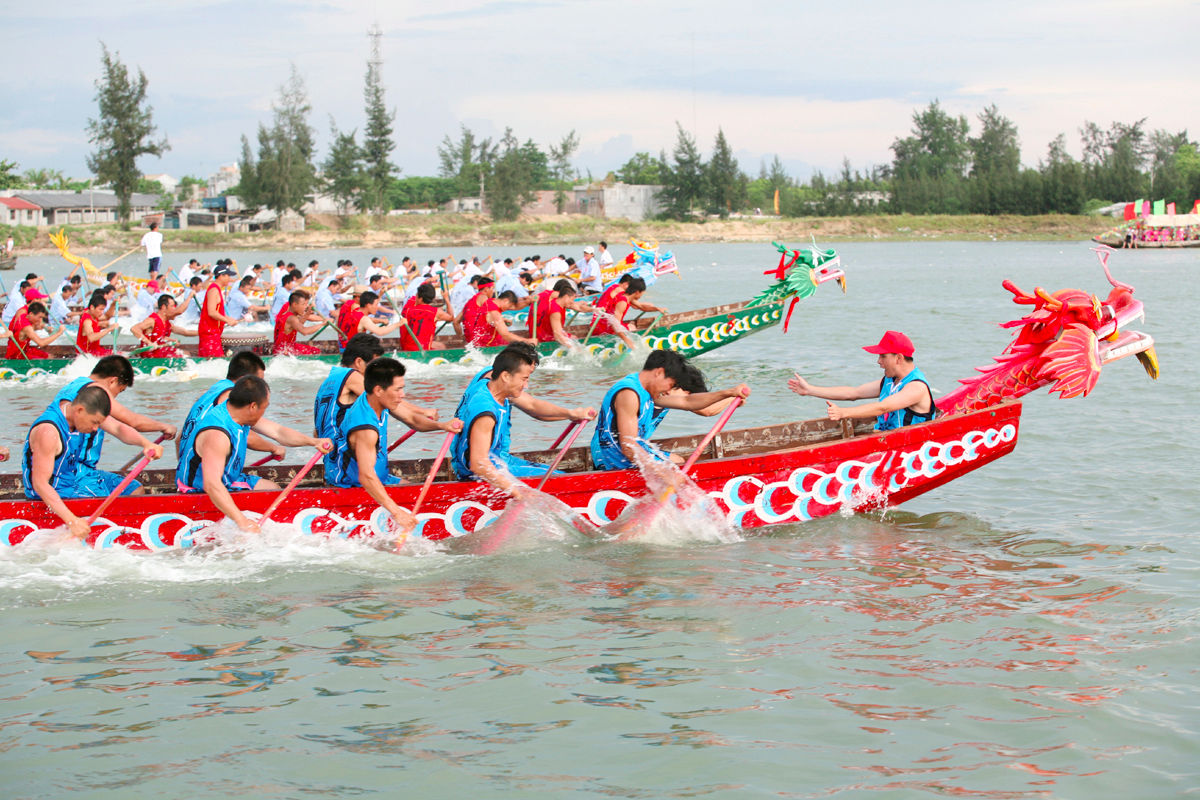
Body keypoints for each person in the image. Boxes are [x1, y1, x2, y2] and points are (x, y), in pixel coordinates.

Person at [176, 375, 333, 533]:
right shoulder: (217, 434)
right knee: (269, 496)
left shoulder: (235, 411)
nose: (264, 412)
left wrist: (314, 442)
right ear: (253, 407)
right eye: (264, 407)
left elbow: (278, 432)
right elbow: (211, 485)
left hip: (226, 478)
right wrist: (242, 521)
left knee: (272, 490)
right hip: (198, 488)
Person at [326, 358, 461, 531]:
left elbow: (412, 419)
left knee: (412, 490)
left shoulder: (376, 400)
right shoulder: (365, 428)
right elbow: (366, 476)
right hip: (354, 486)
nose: (402, 395)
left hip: (380, 476)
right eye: (398, 389)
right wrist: (397, 513)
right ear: (378, 390)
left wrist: (442, 426)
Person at [450, 345, 595, 496]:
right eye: (525, 377)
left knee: (559, 475)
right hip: (482, 468)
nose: (526, 385)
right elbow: (478, 464)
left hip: (498, 459)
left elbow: (534, 408)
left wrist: (571, 414)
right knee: (564, 482)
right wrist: (517, 492)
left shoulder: (494, 383)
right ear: (506, 375)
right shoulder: (487, 409)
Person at [23, 385, 164, 538]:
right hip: (56, 491)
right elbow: (40, 483)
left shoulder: (80, 413)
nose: (96, 428)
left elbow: (117, 428)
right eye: (95, 422)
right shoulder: (49, 432)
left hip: (75, 476)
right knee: (113, 503)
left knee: (133, 490)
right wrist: (72, 521)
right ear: (79, 411)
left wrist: (145, 443)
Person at [592, 351, 750, 471]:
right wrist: (663, 473)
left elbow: (687, 401)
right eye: (671, 384)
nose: (669, 391)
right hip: (612, 457)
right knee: (677, 465)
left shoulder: (649, 390)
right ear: (659, 372)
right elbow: (628, 446)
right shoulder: (630, 393)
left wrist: (729, 393)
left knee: (678, 462)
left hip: (630, 450)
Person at [788, 330, 937, 430]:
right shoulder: (890, 381)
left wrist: (843, 413)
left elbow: (883, 407)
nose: (879, 361)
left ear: (899, 358)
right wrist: (810, 390)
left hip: (906, 447)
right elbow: (853, 393)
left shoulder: (916, 387)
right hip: (885, 438)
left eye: (883, 356)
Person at [52, 354, 177, 472]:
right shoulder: (96, 391)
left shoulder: (73, 385)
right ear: (113, 381)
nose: (115, 397)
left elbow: (117, 427)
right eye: (120, 390)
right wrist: (165, 427)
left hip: (61, 464)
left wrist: (146, 443)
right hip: (75, 469)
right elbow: (132, 421)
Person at [176, 352, 279, 461]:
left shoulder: (217, 387)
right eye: (259, 382)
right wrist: (273, 448)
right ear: (245, 380)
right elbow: (244, 436)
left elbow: (179, 439)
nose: (261, 387)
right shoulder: (230, 395)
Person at [590, 276, 667, 347]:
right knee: (632, 328)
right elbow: (614, 323)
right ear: (637, 292)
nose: (641, 296)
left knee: (631, 326)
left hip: (603, 324)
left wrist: (658, 308)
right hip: (604, 328)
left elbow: (642, 306)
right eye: (642, 293)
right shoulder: (622, 302)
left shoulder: (627, 297)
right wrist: (626, 340)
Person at [460, 277, 533, 348]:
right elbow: (504, 333)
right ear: (486, 289)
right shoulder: (483, 298)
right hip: (482, 343)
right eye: (492, 288)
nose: (493, 291)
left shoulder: (490, 301)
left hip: (473, 338)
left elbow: (456, 322)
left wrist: (528, 301)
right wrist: (527, 341)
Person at [199, 264, 239, 357]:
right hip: (209, 333)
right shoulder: (214, 290)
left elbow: (217, 312)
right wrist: (227, 320)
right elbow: (211, 312)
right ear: (221, 276)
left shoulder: (216, 289)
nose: (229, 278)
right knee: (215, 360)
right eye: (228, 276)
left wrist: (229, 318)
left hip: (214, 332)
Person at [399, 283, 453, 351]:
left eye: (416, 295)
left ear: (420, 299)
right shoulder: (435, 312)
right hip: (422, 348)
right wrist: (446, 299)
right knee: (442, 347)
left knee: (441, 346)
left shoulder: (408, 310)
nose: (415, 297)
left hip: (407, 347)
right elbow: (451, 317)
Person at [527, 279, 579, 347]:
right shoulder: (556, 300)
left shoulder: (545, 295)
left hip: (535, 332)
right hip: (544, 335)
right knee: (574, 338)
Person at [273, 291, 326, 356]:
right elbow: (304, 331)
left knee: (315, 351)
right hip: (285, 351)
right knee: (313, 354)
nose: (305, 307)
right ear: (294, 305)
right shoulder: (291, 318)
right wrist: (322, 324)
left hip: (284, 348)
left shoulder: (286, 314)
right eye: (303, 304)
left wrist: (308, 312)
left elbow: (298, 324)